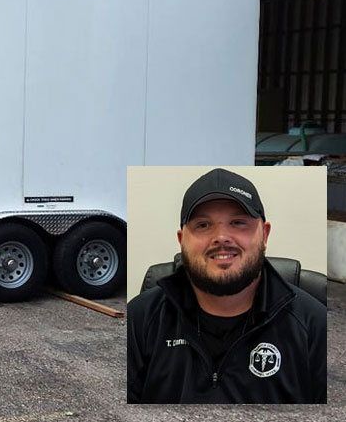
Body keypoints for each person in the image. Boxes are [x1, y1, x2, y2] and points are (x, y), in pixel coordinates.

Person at [127, 168, 326, 404]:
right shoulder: (140, 318)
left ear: (264, 234)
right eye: (203, 225)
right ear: (182, 241)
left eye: (238, 222)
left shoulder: (314, 324)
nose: (221, 237)